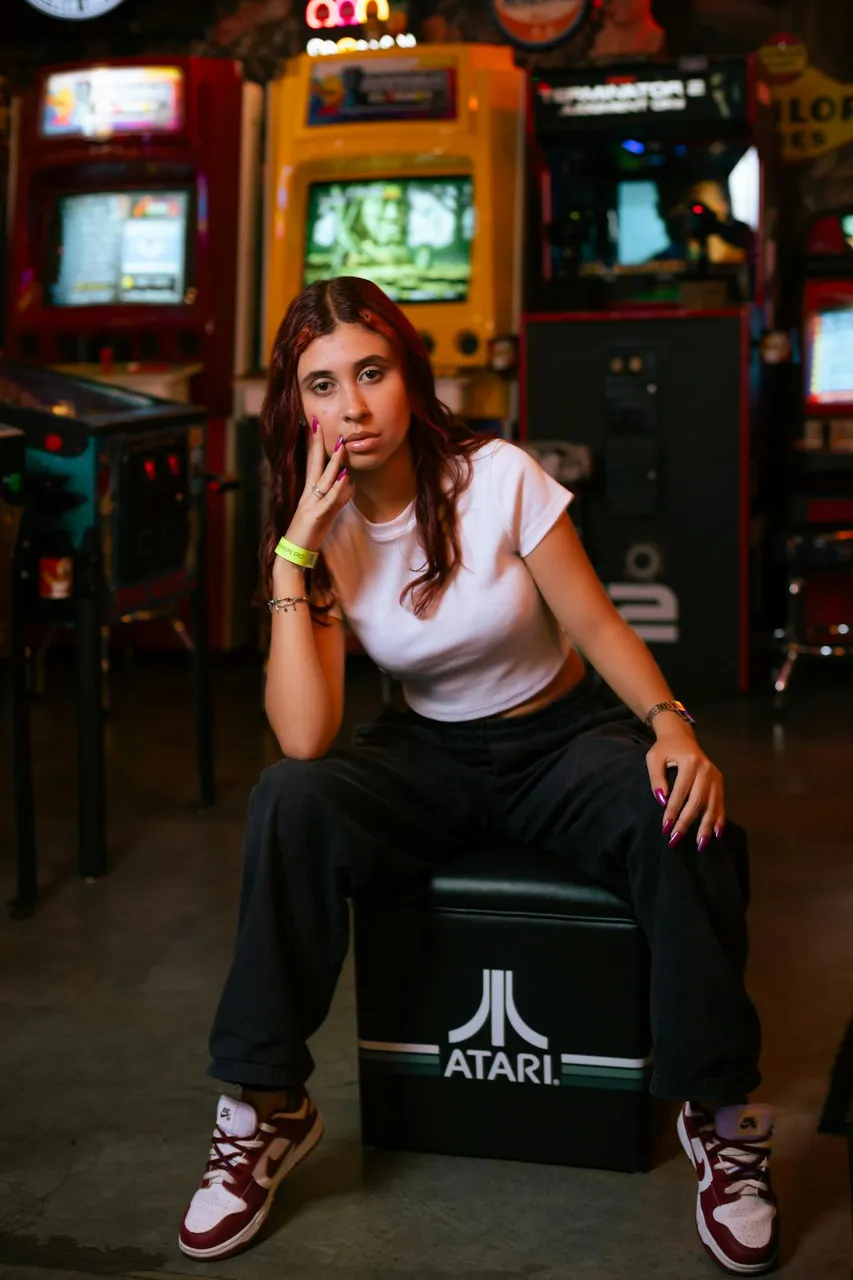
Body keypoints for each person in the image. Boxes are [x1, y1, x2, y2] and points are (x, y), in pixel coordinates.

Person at [178, 276, 779, 1274]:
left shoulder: (496, 475)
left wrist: (671, 725)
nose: (353, 407)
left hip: (559, 739)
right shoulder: (315, 528)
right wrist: (293, 560)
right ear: (300, 406)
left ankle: (717, 1114)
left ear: (409, 375)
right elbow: (304, 734)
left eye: (371, 372)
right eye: (323, 385)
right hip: (425, 753)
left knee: (684, 810)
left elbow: (594, 622)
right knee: (291, 799)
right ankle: (266, 1107)